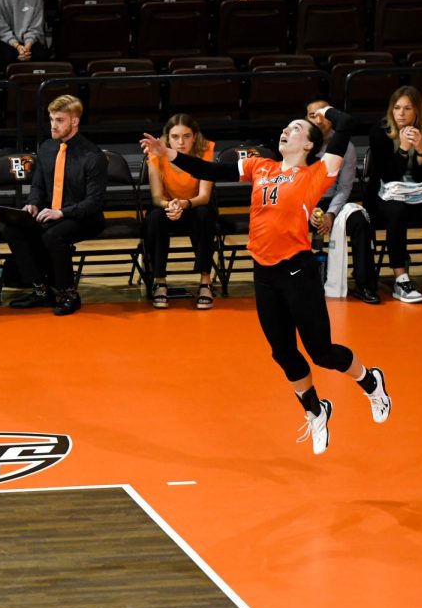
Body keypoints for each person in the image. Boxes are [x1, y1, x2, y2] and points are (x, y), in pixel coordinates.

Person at [140, 107, 392, 456]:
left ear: (308, 145)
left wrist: (323, 111)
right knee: (283, 352)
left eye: (296, 128)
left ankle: (370, 381)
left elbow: (348, 123)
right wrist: (168, 153)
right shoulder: (262, 166)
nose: (286, 130)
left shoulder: (318, 172)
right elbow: (212, 170)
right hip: (264, 270)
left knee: (321, 352)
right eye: (286, 126)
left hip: (297, 270)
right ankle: (316, 410)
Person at [5, 95, 106, 316]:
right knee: (13, 229)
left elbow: (94, 202)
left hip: (85, 217)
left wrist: (61, 212)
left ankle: (69, 293)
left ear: (75, 121)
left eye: (59, 120)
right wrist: (32, 204)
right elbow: (38, 185)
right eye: (51, 119)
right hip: (53, 213)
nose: (53, 125)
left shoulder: (93, 156)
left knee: (53, 235)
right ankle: (40, 290)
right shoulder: (48, 149)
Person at [367, 86, 422, 303]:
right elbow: (388, 174)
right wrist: (403, 149)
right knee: (397, 211)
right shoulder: (379, 131)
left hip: (420, 191)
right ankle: (400, 278)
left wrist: (421, 149)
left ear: (416, 112)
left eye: (407, 108)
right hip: (387, 194)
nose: (401, 113)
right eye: (397, 108)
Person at [305, 96, 380, 304]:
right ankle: (295, 283)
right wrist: (309, 209)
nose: (319, 120)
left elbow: (345, 187)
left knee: (359, 221)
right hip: (303, 202)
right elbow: (296, 185)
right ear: (306, 120)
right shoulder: (301, 144)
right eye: (313, 116)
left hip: (334, 202)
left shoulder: (346, 146)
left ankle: (364, 285)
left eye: (324, 115)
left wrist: (330, 213)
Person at [142, 114, 217, 310]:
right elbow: (157, 198)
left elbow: (204, 197)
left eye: (186, 136)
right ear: (167, 138)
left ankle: (205, 282)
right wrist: (171, 207)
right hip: (168, 207)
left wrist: (183, 204)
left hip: (194, 205)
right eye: (175, 137)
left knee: (205, 215)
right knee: (155, 217)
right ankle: (159, 281)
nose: (181, 142)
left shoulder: (206, 150)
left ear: (195, 137)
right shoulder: (156, 153)